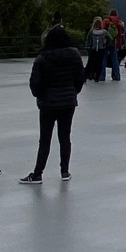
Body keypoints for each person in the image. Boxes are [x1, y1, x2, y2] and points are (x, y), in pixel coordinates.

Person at [22, 20, 86, 183]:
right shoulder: (74, 55)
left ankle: (38, 173)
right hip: (68, 102)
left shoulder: (42, 58)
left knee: (45, 139)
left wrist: (40, 95)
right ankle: (65, 171)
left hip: (48, 103)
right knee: (65, 137)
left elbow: (35, 83)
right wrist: (73, 91)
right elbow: (80, 77)